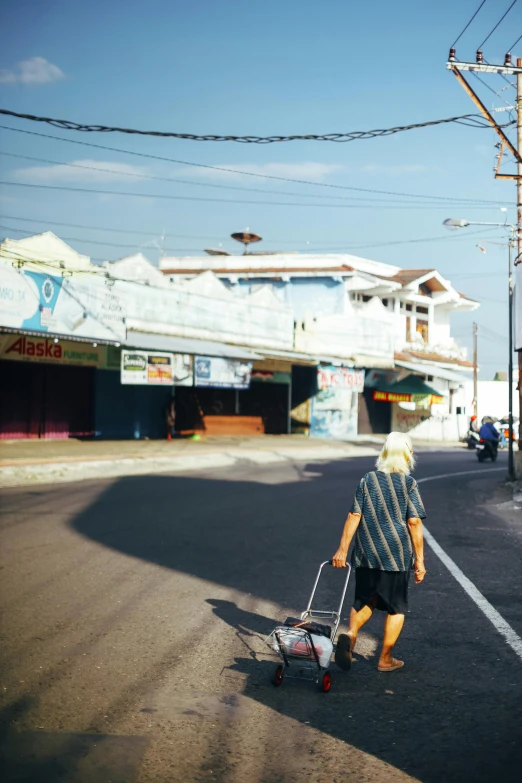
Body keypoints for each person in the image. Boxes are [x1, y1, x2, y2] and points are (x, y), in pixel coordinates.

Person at [332, 431, 426, 673]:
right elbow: (414, 522)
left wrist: (342, 550)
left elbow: (354, 515)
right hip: (395, 556)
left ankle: (351, 633)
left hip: (366, 553)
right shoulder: (409, 484)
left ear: (384, 453)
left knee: (366, 599)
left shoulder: (368, 479)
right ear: (408, 455)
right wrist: (420, 561)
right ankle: (385, 658)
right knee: (396, 607)